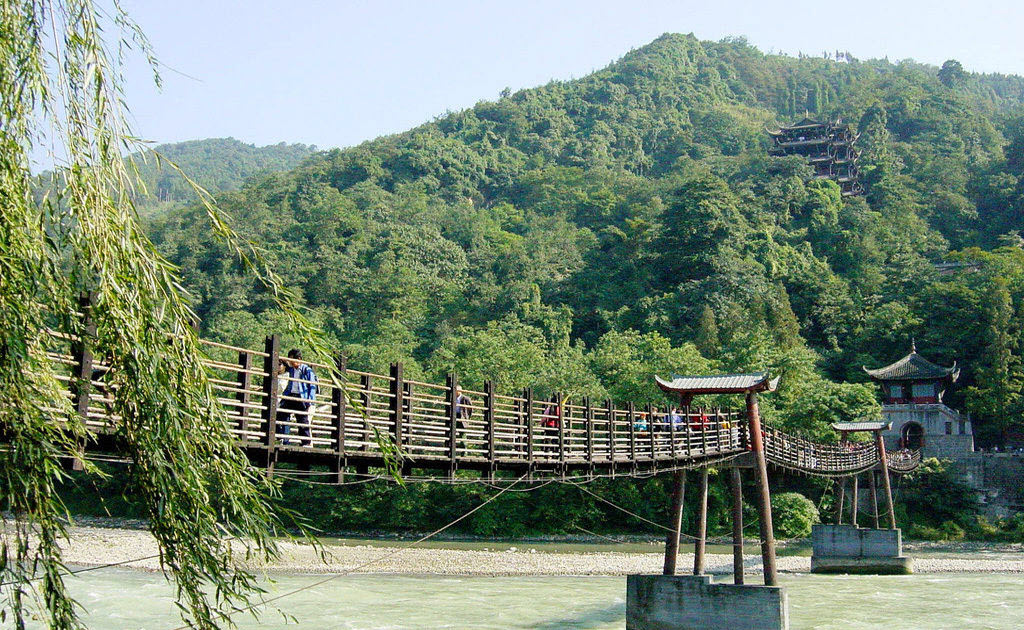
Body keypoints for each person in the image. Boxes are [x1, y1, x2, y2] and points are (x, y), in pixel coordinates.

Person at [278, 349, 318, 447]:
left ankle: (306, 442)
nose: (290, 362)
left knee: (302, 420)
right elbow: (283, 365)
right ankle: (284, 439)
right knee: (281, 414)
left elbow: (312, 386)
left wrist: (310, 401)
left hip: (301, 397)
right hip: (291, 395)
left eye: (292, 359)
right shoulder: (291, 369)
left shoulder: (306, 370)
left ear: (299, 359)